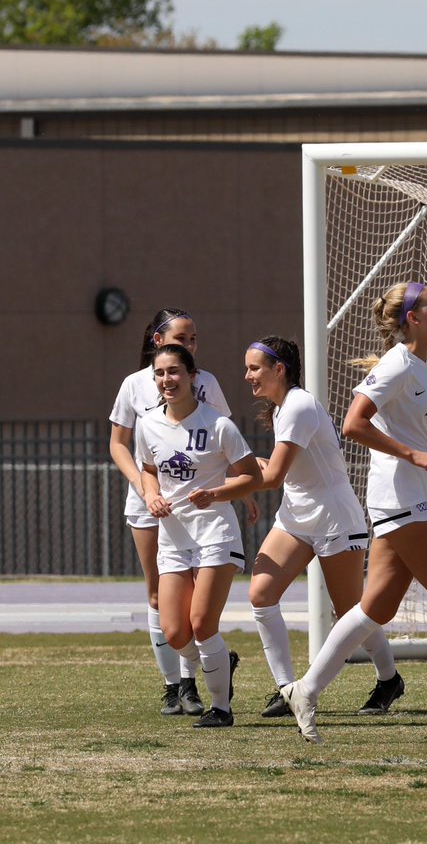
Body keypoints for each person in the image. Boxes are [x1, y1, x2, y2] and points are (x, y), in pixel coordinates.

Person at [280, 281, 427, 744]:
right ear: (413, 317)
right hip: (399, 497)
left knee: (375, 608)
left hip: (411, 497)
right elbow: (353, 423)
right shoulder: (395, 363)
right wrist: (411, 455)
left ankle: (305, 689)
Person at [243, 336, 405, 720]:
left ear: (278, 370)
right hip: (297, 517)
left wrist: (219, 489)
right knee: (261, 594)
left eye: (254, 368)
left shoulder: (297, 405)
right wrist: (237, 463)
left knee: (351, 611)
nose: (247, 375)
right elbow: (285, 470)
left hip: (334, 518)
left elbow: (275, 476)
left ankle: (389, 679)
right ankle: (287, 688)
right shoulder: (282, 407)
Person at [108, 307, 242, 716]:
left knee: (199, 618)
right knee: (159, 598)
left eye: (192, 340)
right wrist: (144, 488)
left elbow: (231, 456)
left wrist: (243, 492)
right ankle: (174, 684)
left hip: (200, 509)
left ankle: (196, 684)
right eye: (181, 338)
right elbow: (120, 446)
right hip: (152, 501)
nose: (188, 346)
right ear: (157, 342)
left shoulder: (207, 388)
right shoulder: (135, 385)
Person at [137, 344, 263, 727]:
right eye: (160, 373)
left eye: (174, 372)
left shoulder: (218, 424)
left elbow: (252, 477)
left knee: (202, 624)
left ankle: (221, 709)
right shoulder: (148, 424)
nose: (166, 380)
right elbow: (147, 469)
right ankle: (221, 661)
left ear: (193, 377)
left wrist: (217, 493)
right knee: (175, 632)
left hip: (216, 534)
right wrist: (152, 495)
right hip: (174, 538)